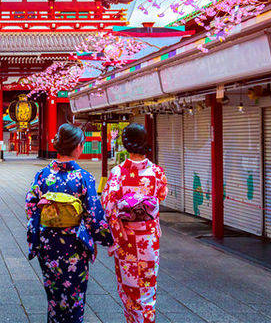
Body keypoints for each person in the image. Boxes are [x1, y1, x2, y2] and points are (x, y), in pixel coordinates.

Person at [25, 123, 113, 323]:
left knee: (54, 296)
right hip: (74, 245)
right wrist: (106, 239)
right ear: (78, 147)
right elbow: (93, 215)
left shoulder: (43, 176)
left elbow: (30, 207)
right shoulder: (83, 177)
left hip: (48, 244)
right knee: (74, 297)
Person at [101, 123, 168, 323]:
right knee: (147, 290)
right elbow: (161, 196)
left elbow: (108, 205)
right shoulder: (157, 172)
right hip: (148, 239)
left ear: (125, 143)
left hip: (126, 238)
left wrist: (118, 223)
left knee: (129, 289)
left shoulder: (117, 173)